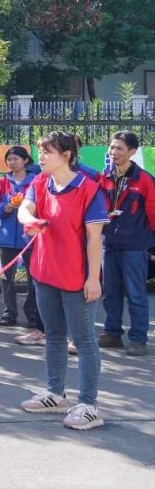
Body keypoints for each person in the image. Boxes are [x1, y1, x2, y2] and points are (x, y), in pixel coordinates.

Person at [18, 131, 108, 430]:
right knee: (54, 334)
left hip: (77, 277)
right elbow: (24, 209)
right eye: (40, 151)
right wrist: (30, 220)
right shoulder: (40, 182)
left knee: (83, 340)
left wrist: (93, 278)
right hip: (44, 272)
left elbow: (94, 240)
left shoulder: (89, 189)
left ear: (67, 155)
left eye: (48, 152)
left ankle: (89, 405)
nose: (40, 157)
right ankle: (55, 394)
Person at [97, 131, 154, 356]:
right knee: (110, 292)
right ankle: (112, 333)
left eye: (119, 148)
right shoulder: (105, 177)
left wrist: (149, 244)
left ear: (132, 151)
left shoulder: (144, 180)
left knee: (136, 293)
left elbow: (153, 214)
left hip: (134, 246)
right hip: (109, 243)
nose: (113, 152)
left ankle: (138, 339)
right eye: (111, 147)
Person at [0, 146, 42, 340]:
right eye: (9, 159)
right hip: (7, 237)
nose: (12, 162)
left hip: (30, 239)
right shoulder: (2, 182)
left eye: (16, 159)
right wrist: (6, 207)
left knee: (34, 278)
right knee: (6, 277)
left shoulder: (36, 181)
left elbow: (43, 205)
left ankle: (33, 313)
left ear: (25, 160)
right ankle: (9, 312)